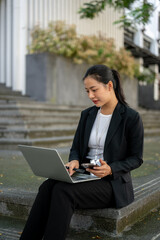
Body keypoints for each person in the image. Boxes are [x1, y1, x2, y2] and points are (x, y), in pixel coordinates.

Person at [20, 64, 144, 240]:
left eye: (94, 90)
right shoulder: (87, 115)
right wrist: (74, 161)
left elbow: (136, 158)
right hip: (85, 174)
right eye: (87, 91)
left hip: (111, 183)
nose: (90, 96)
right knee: (48, 186)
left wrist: (111, 169)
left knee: (63, 191)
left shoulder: (130, 117)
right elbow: (76, 148)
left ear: (109, 86)